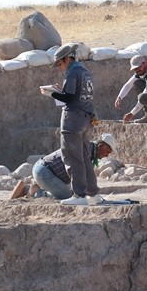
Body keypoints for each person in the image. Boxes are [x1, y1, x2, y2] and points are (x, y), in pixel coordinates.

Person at [40, 43, 100, 206]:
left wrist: (51, 93)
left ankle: (79, 195)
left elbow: (69, 98)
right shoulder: (85, 72)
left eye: (60, 63)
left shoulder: (73, 72)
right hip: (87, 118)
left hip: (73, 119)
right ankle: (93, 194)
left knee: (73, 158)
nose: (60, 68)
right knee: (85, 158)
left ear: (67, 59)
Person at [24, 133, 118, 200]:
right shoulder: (86, 151)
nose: (107, 155)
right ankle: (37, 193)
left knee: (75, 195)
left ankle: (41, 186)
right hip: (44, 171)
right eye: (107, 152)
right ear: (100, 146)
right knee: (67, 197)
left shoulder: (89, 150)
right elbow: (78, 174)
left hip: (50, 172)